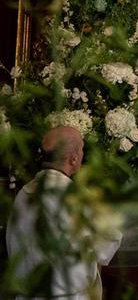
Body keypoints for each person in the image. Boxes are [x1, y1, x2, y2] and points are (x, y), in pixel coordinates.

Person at [6, 126, 122, 299]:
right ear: (73, 159)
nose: (83, 154)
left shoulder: (23, 194)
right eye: (82, 149)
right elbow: (109, 241)